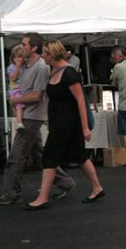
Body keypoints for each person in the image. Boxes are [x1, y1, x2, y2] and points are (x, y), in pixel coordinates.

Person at [0, 33, 75, 205]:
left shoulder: (40, 68)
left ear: (34, 48)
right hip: (29, 114)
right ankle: (65, 182)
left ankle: (12, 193)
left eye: (24, 44)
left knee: (16, 156)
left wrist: (17, 100)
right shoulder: (28, 65)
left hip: (32, 116)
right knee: (39, 155)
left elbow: (37, 95)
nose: (21, 47)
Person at [25, 40, 105, 210]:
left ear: (52, 55)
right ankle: (97, 187)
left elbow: (81, 100)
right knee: (80, 155)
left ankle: (43, 197)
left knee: (49, 157)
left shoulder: (69, 73)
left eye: (45, 53)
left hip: (68, 123)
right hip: (59, 122)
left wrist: (84, 127)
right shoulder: (54, 71)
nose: (43, 57)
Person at [7, 45, 26, 132]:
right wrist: (18, 67)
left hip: (24, 89)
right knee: (19, 105)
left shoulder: (26, 67)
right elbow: (13, 78)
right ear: (14, 58)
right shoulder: (11, 68)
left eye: (22, 56)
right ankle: (19, 122)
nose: (21, 59)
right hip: (15, 90)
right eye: (18, 56)